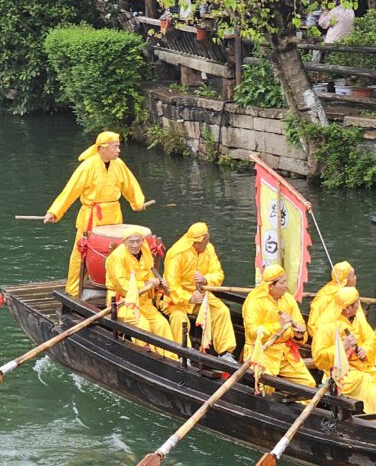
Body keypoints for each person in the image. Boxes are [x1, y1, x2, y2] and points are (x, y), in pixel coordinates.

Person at [44, 131, 148, 298]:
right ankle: (73, 288)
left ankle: (114, 285)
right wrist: (55, 211)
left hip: (113, 214)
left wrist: (137, 202)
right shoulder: (88, 166)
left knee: (115, 251)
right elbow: (70, 191)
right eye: (115, 147)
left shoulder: (118, 164)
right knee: (82, 251)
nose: (118, 151)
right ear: (104, 148)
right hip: (92, 215)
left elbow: (130, 185)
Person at [312, 286, 376, 414]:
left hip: (361, 365)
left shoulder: (358, 320)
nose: (359, 304)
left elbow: (371, 339)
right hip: (341, 372)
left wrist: (365, 349)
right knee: (363, 380)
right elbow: (319, 358)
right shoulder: (327, 326)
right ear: (347, 308)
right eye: (356, 302)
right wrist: (342, 347)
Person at [162, 222, 236, 359]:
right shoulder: (176, 254)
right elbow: (171, 286)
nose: (208, 243)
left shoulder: (209, 249)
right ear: (196, 242)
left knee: (221, 311)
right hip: (177, 300)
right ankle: (184, 355)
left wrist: (205, 279)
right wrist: (188, 297)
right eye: (205, 241)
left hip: (202, 295)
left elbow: (218, 274)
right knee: (179, 318)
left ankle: (225, 353)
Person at [104, 227, 178, 360]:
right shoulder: (117, 257)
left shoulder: (145, 251)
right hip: (123, 301)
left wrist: (158, 284)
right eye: (131, 242)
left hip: (144, 300)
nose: (135, 245)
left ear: (142, 241)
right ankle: (148, 357)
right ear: (124, 242)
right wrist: (146, 284)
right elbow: (122, 286)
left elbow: (149, 273)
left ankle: (171, 358)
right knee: (143, 325)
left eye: (138, 241)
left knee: (161, 323)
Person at [241, 264, 316, 391]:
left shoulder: (288, 299)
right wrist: (278, 325)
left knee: (308, 384)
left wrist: (298, 335)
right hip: (261, 352)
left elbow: (299, 323)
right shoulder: (254, 302)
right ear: (271, 286)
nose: (286, 285)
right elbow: (253, 333)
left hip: (285, 352)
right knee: (266, 386)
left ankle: (294, 407)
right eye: (282, 283)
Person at [308, 260, 356, 341]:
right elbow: (313, 325)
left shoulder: (350, 294)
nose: (355, 278)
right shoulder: (326, 297)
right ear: (346, 279)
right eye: (353, 275)